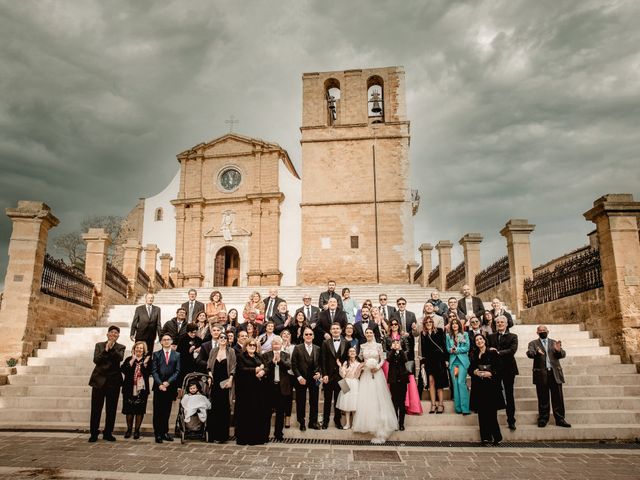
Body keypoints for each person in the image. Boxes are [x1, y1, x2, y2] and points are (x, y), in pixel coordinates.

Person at [352, 328, 398, 443]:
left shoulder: (378, 345)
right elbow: (360, 359)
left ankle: (381, 421)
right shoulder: (362, 346)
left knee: (378, 397)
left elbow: (383, 359)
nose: (368, 334)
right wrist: (364, 366)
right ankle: (367, 423)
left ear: (373, 334)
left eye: (370, 333)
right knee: (366, 397)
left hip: (377, 374)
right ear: (365, 334)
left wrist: (377, 367)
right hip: (366, 374)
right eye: (367, 333)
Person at [526, 325, 571, 428]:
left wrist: (559, 350)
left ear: (548, 331)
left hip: (554, 373)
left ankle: (560, 419)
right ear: (537, 332)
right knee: (543, 398)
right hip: (541, 374)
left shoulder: (554, 342)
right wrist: (536, 352)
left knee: (558, 398)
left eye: (544, 330)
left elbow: (562, 354)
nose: (542, 332)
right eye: (540, 330)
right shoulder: (533, 343)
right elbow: (530, 353)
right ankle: (543, 418)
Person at [88, 325, 125, 442]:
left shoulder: (120, 347)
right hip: (98, 381)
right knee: (96, 409)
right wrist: (106, 349)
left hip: (113, 381)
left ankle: (108, 432)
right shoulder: (99, 345)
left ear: (118, 336)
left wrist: (112, 348)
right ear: (107, 334)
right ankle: (94, 433)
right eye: (112, 332)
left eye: (116, 333)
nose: (113, 334)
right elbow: (96, 360)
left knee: (111, 409)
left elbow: (119, 358)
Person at [469, 334, 504, 445]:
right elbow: (470, 368)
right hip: (479, 387)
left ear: (485, 340)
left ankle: (497, 437)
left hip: (491, 386)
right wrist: (474, 372)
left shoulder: (492, 352)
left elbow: (499, 367)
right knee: (482, 413)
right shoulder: (474, 354)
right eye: (476, 340)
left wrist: (491, 373)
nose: (479, 341)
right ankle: (485, 438)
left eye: (480, 339)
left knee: (491, 413)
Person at [235, 339, 270, 445]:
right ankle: (245, 438)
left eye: (254, 345)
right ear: (246, 346)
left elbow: (267, 367)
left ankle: (257, 438)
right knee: (246, 414)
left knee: (257, 413)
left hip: (258, 390)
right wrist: (255, 370)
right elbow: (241, 370)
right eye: (250, 345)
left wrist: (263, 371)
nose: (252, 346)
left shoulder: (259, 356)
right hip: (246, 390)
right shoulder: (241, 356)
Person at [487, 315, 519, 430]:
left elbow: (512, 350)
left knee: (509, 395)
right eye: (498, 322)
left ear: (506, 324)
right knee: (493, 395)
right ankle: (493, 421)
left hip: (508, 369)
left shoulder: (513, 336)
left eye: (502, 322)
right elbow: (488, 349)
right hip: (495, 370)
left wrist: (498, 353)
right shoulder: (490, 337)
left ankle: (511, 420)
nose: (500, 324)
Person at [384, 320, 422, 415]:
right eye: (392, 324)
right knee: (393, 391)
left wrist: (399, 351)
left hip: (402, 365)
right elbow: (385, 350)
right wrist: (393, 351)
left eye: (396, 324)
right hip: (391, 364)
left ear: (398, 325)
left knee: (402, 393)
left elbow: (407, 349)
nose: (394, 326)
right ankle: (392, 411)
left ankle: (403, 409)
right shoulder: (386, 337)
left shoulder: (403, 337)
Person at [151, 334, 181, 443]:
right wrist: (160, 384)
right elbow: (153, 371)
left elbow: (177, 371)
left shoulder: (176, 355)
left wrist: (168, 383)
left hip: (170, 387)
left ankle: (165, 432)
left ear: (171, 341)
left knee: (166, 411)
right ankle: (157, 433)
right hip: (158, 387)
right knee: (158, 411)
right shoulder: (156, 354)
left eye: (168, 339)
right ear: (161, 342)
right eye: (164, 340)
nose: (167, 341)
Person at [291, 327, 322, 431]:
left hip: (314, 379)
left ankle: (313, 422)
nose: (308, 336)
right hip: (301, 379)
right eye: (306, 334)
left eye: (310, 334)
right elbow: (293, 365)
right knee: (301, 401)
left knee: (314, 401)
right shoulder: (297, 348)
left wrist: (319, 373)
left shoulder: (318, 348)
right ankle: (302, 422)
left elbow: (321, 364)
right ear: (303, 336)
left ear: (313, 336)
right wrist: (299, 377)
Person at [206, 332, 235, 443]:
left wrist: (231, 380)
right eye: (221, 337)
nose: (223, 339)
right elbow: (208, 365)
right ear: (218, 339)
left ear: (228, 340)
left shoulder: (231, 351)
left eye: (225, 338)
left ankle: (222, 436)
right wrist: (209, 375)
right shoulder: (213, 351)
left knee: (224, 409)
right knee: (214, 409)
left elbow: (233, 367)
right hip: (214, 383)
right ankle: (212, 435)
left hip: (225, 383)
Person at [415, 317, 448, 414]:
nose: (428, 323)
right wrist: (422, 363)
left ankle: (441, 404)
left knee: (439, 382)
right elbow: (423, 350)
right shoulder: (423, 334)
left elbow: (444, 345)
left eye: (430, 321)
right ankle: (433, 404)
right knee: (431, 382)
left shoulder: (439, 331)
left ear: (433, 323)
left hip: (439, 360)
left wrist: (446, 359)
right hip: (429, 360)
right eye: (426, 322)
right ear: (424, 324)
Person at [263, 335, 292, 441]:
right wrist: (273, 361)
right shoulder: (266, 355)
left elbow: (289, 366)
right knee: (267, 412)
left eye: (278, 343)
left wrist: (279, 361)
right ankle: (265, 434)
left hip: (282, 387)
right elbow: (265, 367)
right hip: (269, 387)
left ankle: (278, 434)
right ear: (271, 345)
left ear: (281, 344)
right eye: (274, 343)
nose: (276, 345)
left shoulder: (286, 355)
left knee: (280, 412)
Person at [120, 341, 151, 440]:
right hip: (129, 388)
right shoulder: (129, 359)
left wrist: (144, 364)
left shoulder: (147, 360)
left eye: (141, 348)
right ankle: (129, 430)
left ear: (144, 350)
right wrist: (132, 360)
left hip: (141, 389)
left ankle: (137, 430)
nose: (139, 349)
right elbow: (123, 370)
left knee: (139, 410)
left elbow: (148, 373)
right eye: (137, 347)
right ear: (134, 349)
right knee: (129, 410)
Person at [320, 322, 349, 429]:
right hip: (329, 376)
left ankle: (337, 421)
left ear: (341, 330)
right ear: (331, 331)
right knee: (327, 400)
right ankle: (325, 421)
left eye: (337, 328)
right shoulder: (325, 343)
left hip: (341, 376)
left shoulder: (346, 343)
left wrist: (345, 370)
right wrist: (324, 374)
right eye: (333, 329)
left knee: (339, 400)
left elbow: (347, 359)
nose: (336, 330)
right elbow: (322, 360)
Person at [446, 319, 471, 415]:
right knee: (455, 384)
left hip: (462, 362)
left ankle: (465, 408)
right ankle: (458, 408)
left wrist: (457, 349)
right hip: (453, 363)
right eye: (453, 324)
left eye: (456, 323)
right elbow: (448, 349)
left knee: (461, 382)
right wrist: (451, 350)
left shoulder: (464, 334)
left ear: (459, 325)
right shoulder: (448, 336)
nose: (455, 325)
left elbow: (467, 347)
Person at [336, 347, 363, 429]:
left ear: (356, 353)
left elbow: (357, 376)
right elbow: (343, 375)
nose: (352, 352)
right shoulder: (345, 363)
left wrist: (359, 368)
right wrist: (340, 366)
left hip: (355, 382)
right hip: (345, 382)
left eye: (353, 351)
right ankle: (347, 423)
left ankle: (354, 423)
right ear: (348, 353)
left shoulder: (359, 364)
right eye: (350, 351)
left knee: (354, 404)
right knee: (346, 403)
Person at [386, 338, 410, 431]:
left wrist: (400, 350)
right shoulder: (390, 353)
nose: (396, 344)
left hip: (403, 380)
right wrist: (393, 349)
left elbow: (405, 360)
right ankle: (395, 422)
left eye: (398, 343)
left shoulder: (402, 352)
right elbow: (388, 360)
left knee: (402, 403)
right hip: (393, 380)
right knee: (394, 402)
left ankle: (401, 423)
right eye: (394, 343)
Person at [176, 323, 202, 388]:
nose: (193, 334)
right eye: (191, 333)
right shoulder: (182, 339)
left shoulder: (199, 340)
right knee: (184, 383)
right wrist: (188, 351)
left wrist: (200, 349)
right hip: (184, 365)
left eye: (195, 332)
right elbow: (178, 353)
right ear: (188, 331)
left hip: (196, 365)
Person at [280, 329, 296, 429]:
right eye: (284, 334)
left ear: (290, 336)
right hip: (280, 374)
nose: (286, 335)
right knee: (281, 396)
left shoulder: (294, 347)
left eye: (288, 334)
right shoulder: (278, 346)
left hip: (290, 374)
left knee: (288, 396)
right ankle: (280, 416)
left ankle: (288, 417)